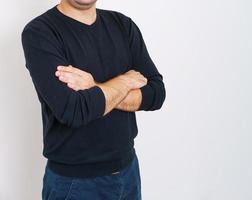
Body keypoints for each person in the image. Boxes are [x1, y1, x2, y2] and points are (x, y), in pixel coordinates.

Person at [21, 0, 166, 199]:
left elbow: (156, 94)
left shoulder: (123, 25)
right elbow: (74, 110)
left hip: (128, 172)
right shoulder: (39, 33)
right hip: (75, 183)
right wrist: (124, 82)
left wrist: (94, 87)